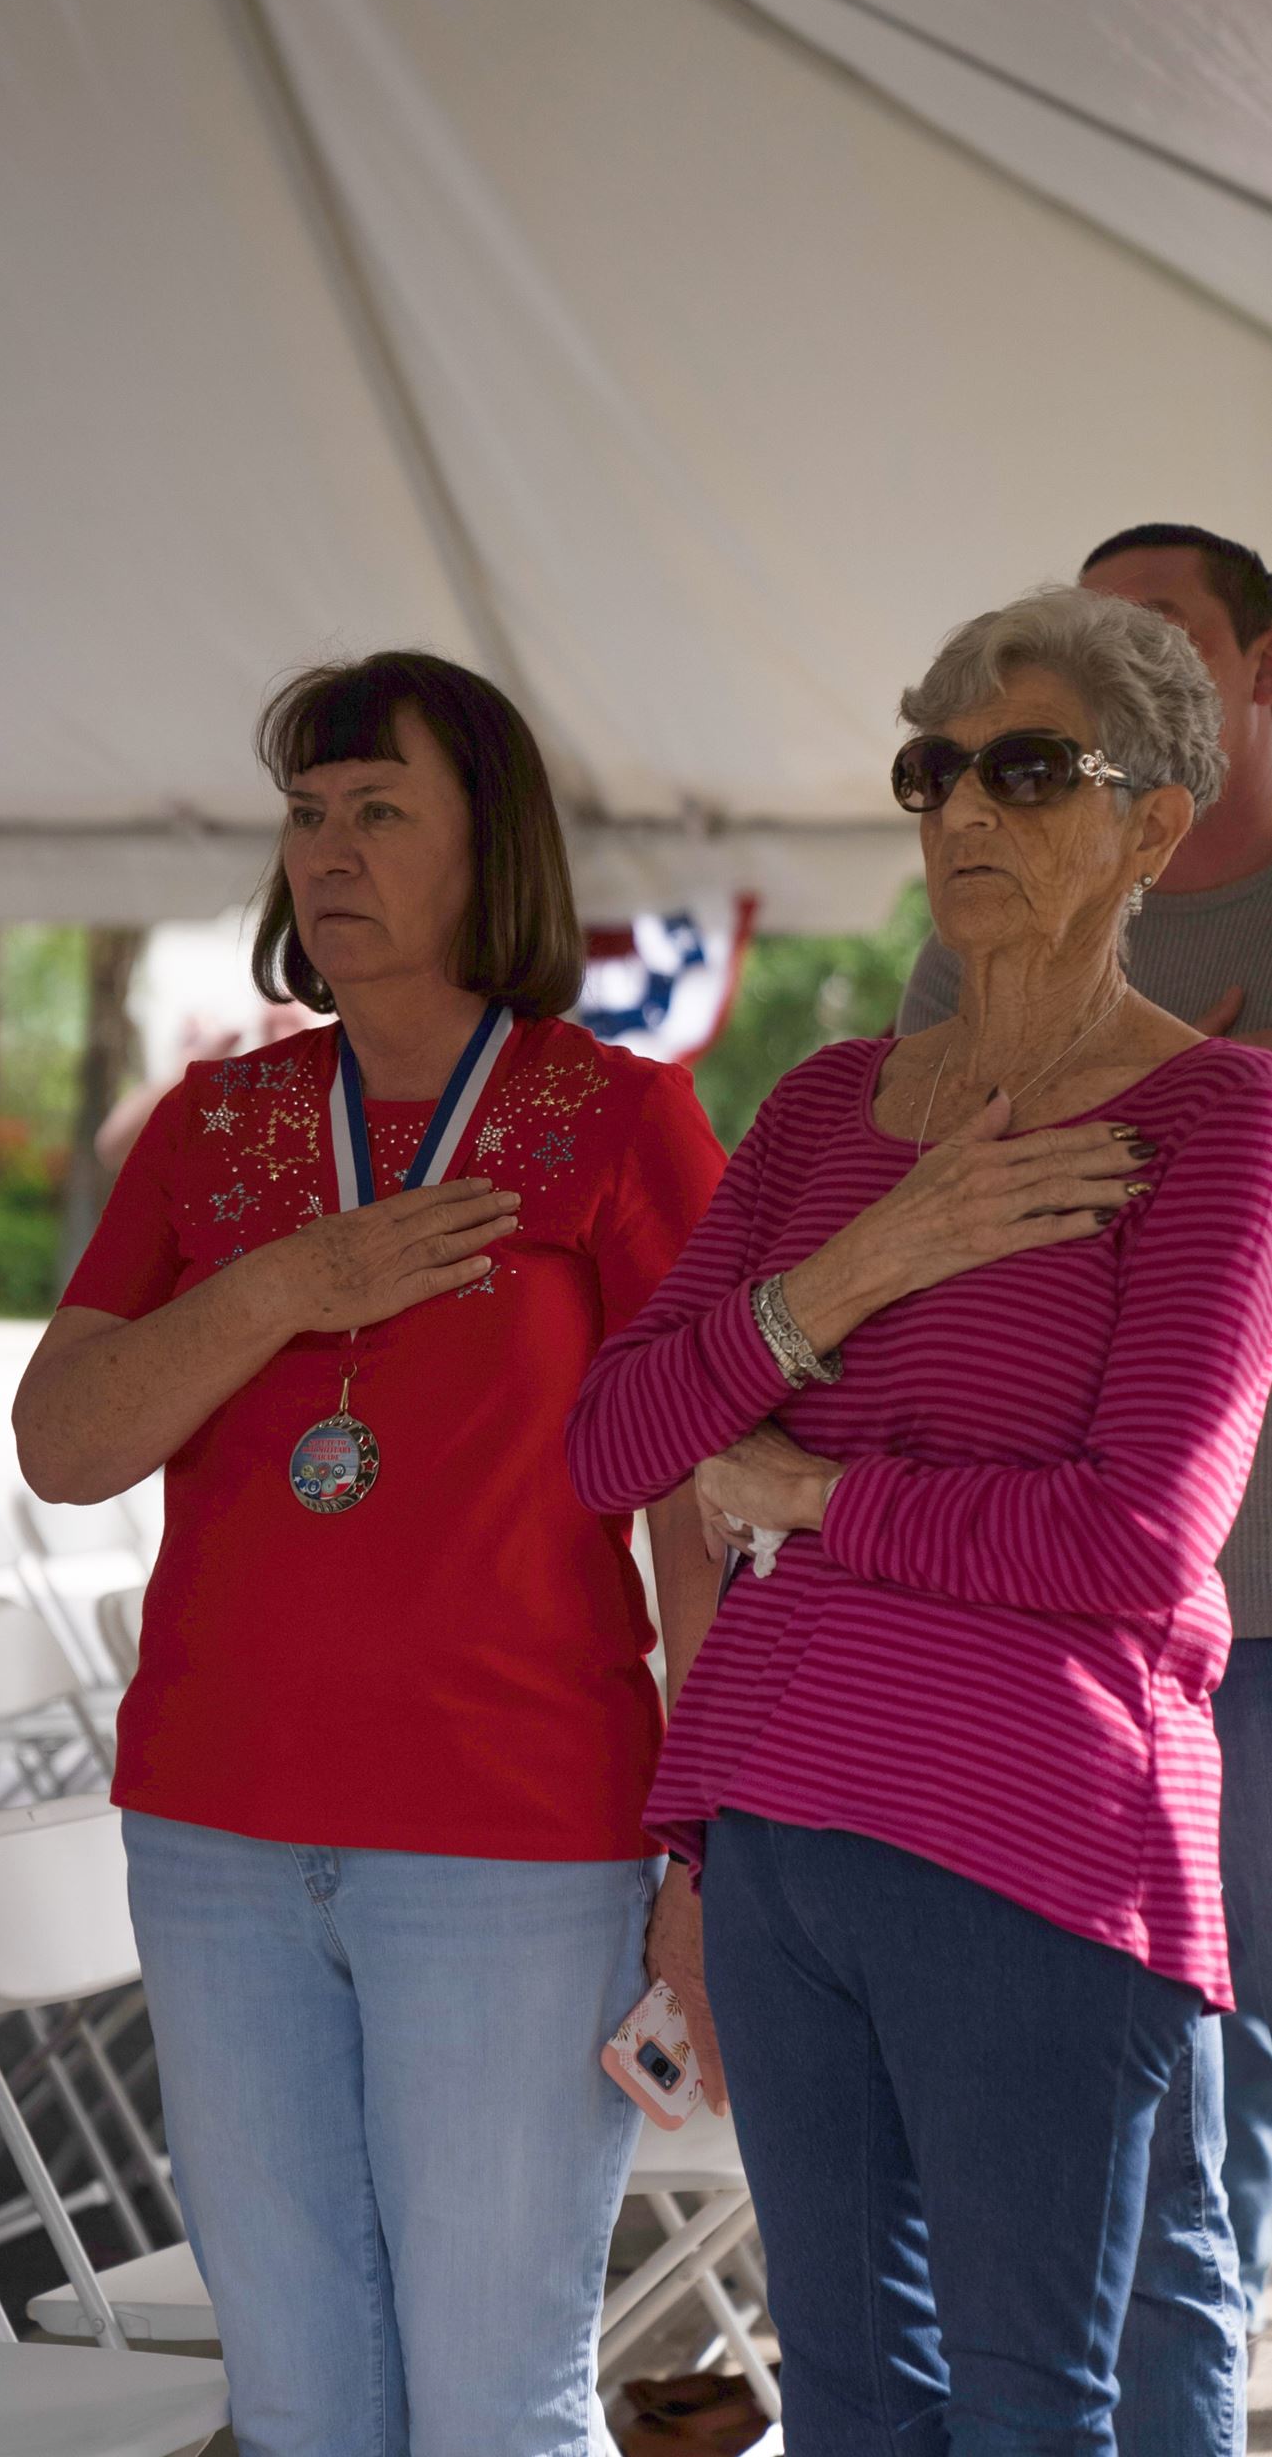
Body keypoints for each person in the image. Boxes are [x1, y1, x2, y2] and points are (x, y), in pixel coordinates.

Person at [568, 586, 1272, 2453]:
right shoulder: (814, 1115)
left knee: (1043, 2399)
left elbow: (1136, 1543)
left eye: (1026, 771)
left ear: (1150, 826)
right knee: (853, 2391)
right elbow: (611, 1436)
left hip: (1032, 1833)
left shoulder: (1215, 1122)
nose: (962, 811)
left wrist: (809, 1488)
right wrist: (863, 1267)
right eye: (933, 771)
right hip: (780, 1826)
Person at [14, 650, 727, 2457]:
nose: (326, 852)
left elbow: (705, 1521)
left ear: (492, 851)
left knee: (493, 2403)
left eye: (379, 812)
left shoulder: (619, 1119)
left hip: (513, 1842)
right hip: (215, 1832)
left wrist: (708, 1849)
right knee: (301, 2407)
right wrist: (283, 1289)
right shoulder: (214, 1125)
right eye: (307, 817)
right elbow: (66, 1439)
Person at [900, 525, 1272, 2450]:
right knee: (1022, 2168)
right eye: (948, 766)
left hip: (1229, 1609)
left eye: (1167, 636)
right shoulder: (970, 931)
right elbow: (913, 1233)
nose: (976, 800)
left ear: (1247, 683)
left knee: (1192, 2129)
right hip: (1008, 1606)